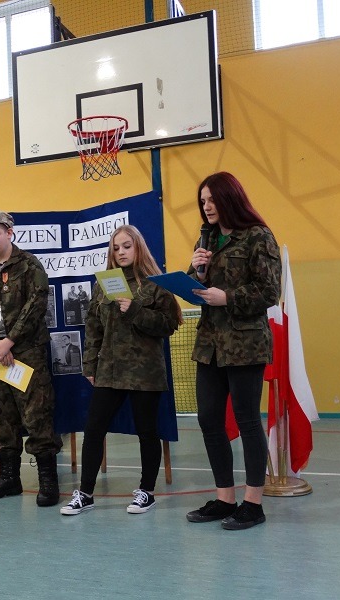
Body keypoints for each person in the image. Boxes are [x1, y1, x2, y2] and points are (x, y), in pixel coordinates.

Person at [60, 225, 182, 516]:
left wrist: (136, 309)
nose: (121, 252)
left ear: (138, 247)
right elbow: (93, 329)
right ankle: (85, 494)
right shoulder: (104, 285)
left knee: (147, 431)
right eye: (116, 248)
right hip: (110, 370)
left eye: (127, 246)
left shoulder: (156, 285)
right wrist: (90, 365)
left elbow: (169, 325)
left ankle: (146, 492)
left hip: (145, 372)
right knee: (93, 429)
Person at [184, 172, 281, 530]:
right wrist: (196, 274)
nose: (206, 206)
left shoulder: (257, 236)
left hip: (245, 343)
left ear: (229, 198)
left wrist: (228, 297)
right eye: (203, 201)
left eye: (212, 199)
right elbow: (193, 288)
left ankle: (253, 503)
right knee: (209, 419)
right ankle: (225, 498)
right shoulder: (206, 239)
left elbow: (270, 291)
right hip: (210, 344)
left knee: (247, 419)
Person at [0, 210, 62, 507]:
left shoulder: (30, 265)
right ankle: (9, 478)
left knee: (36, 414)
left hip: (26, 352)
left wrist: (10, 340)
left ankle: (48, 481)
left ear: (9, 232)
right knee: (1, 415)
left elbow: (36, 304)